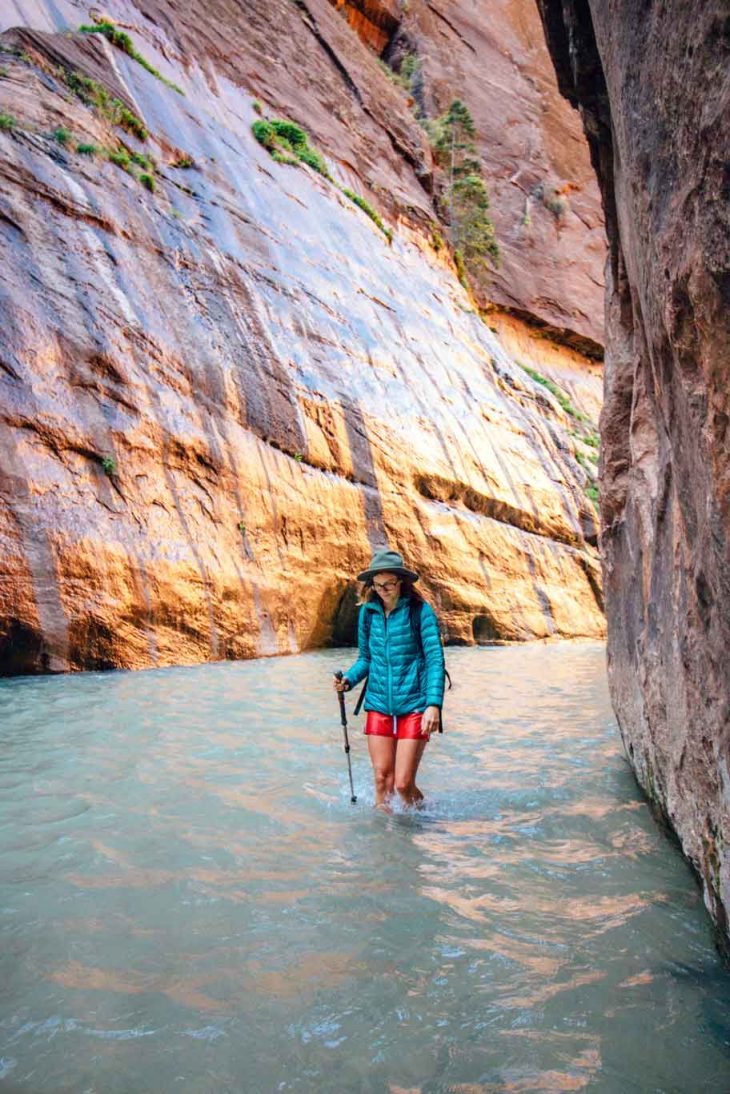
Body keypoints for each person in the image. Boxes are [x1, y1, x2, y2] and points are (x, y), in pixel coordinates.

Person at [333, 548, 445, 809]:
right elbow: (366, 659)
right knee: (382, 780)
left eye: (388, 584)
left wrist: (434, 704)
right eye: (377, 584)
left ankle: (424, 821)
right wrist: (348, 680)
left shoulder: (420, 612)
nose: (382, 590)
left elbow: (435, 660)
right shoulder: (368, 613)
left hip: (415, 703)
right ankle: (383, 844)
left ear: (401, 582)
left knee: (402, 785)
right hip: (379, 702)